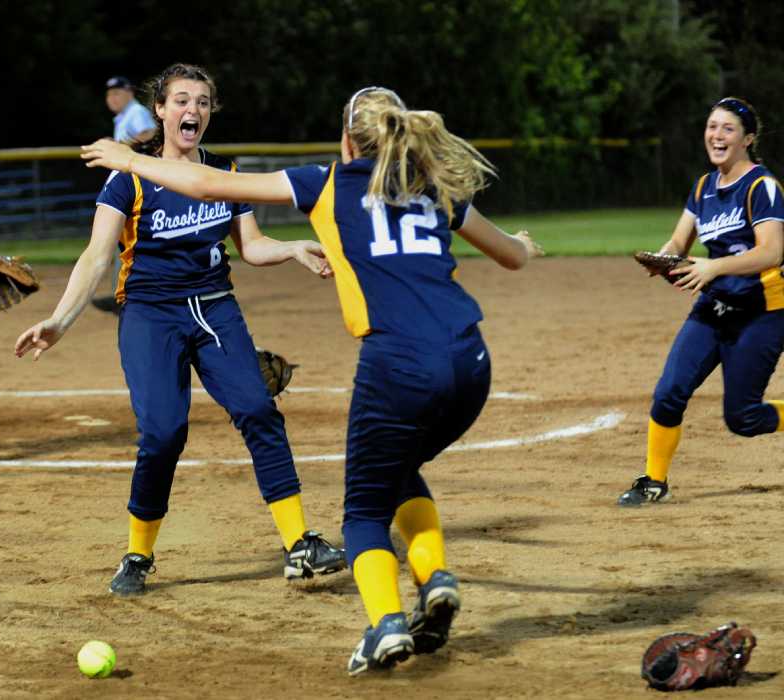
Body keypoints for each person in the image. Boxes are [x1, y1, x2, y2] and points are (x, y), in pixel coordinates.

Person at [80, 85, 542, 675]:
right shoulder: (434, 185)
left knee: (365, 508)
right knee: (400, 471)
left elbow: (200, 184)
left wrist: (127, 158)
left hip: (398, 364)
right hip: (472, 361)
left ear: (346, 140)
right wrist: (526, 244)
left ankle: (387, 626)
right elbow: (511, 255)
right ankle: (435, 578)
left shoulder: (328, 181)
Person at [14, 63, 347, 596]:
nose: (193, 110)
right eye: (182, 101)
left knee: (259, 409)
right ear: (162, 110)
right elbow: (98, 255)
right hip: (150, 314)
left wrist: (289, 249)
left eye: (203, 102)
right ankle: (138, 555)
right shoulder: (130, 174)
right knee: (164, 433)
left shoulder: (222, 170)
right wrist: (60, 319)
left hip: (215, 308)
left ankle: (300, 545)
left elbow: (251, 245)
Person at [618, 97, 784, 507]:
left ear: (748, 138)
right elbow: (679, 240)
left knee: (743, 418)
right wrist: (665, 258)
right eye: (712, 126)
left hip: (762, 312)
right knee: (669, 392)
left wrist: (713, 267)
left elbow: (771, 252)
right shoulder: (703, 187)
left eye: (728, 128)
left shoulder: (761, 187)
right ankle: (653, 481)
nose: (717, 135)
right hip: (713, 309)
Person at [92, 76, 158, 313]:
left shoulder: (136, 113)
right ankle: (121, 295)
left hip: (138, 185)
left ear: (130, 93)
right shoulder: (124, 117)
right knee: (121, 238)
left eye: (117, 93)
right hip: (128, 185)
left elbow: (152, 131)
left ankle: (128, 295)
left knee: (128, 239)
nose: (112, 98)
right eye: (109, 94)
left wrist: (124, 146)